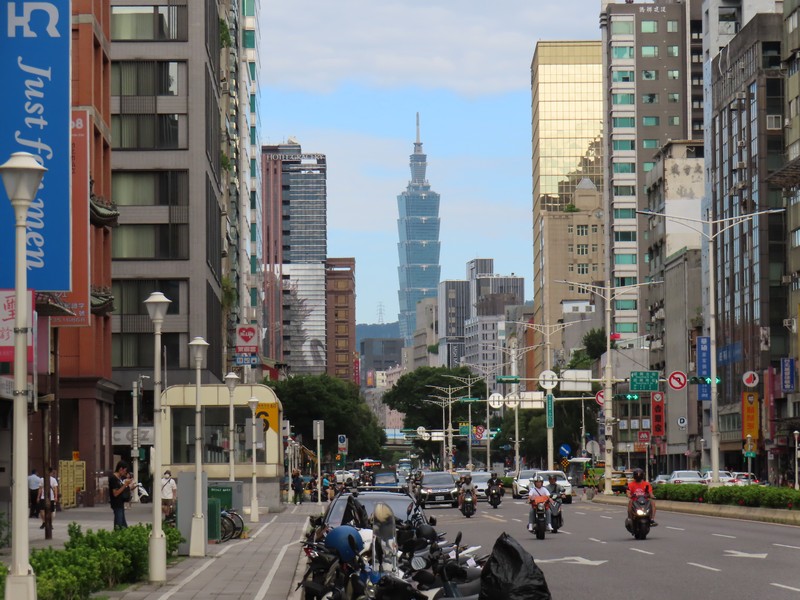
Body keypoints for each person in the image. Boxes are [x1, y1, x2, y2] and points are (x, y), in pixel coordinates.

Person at [109, 461, 135, 530]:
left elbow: (122, 490)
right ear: (121, 469)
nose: (125, 473)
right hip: (116, 504)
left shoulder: (119, 478)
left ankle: (123, 534)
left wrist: (129, 486)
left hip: (121, 503)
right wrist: (125, 485)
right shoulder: (113, 478)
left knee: (123, 525)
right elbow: (115, 493)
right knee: (119, 524)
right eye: (125, 471)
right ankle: (117, 535)